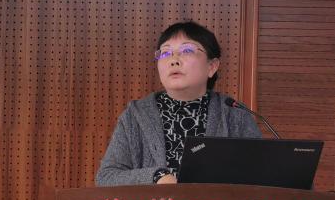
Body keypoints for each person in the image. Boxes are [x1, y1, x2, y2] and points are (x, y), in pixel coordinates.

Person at [95, 21, 261, 186]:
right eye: (165, 53)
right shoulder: (135, 115)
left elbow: (259, 176)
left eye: (187, 50)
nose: (174, 60)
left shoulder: (235, 114)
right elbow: (107, 177)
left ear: (212, 66)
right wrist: (156, 176)